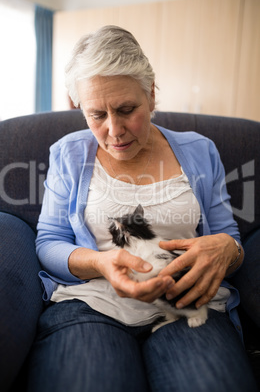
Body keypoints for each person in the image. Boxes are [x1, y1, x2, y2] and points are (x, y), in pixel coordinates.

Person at [27, 25, 258, 392]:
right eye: (96, 115)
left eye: (126, 109)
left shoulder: (199, 150)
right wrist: (100, 262)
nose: (114, 130)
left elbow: (227, 237)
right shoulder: (68, 154)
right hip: (92, 304)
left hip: (187, 305)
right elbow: (49, 241)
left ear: (151, 94)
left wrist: (229, 249)